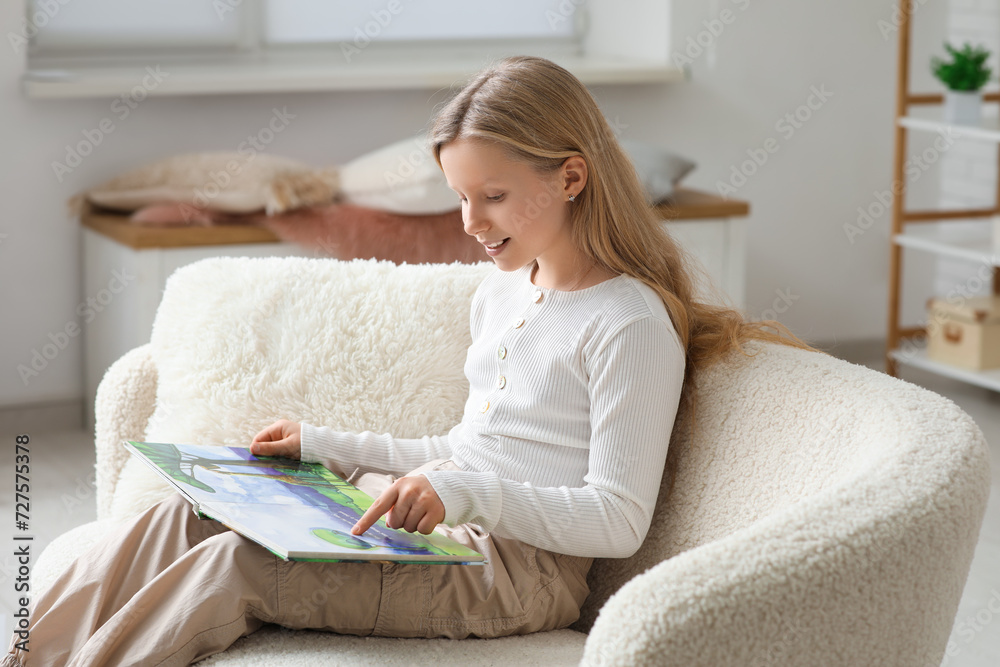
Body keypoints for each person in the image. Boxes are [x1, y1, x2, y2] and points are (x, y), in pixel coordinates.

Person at [4, 55, 821, 667]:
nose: (469, 221)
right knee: (185, 514)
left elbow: (616, 516)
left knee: (235, 558)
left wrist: (463, 490)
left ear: (572, 176)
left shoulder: (629, 322)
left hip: (516, 574)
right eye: (458, 196)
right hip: (451, 535)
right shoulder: (503, 291)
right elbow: (461, 456)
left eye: (492, 197)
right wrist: (326, 445)